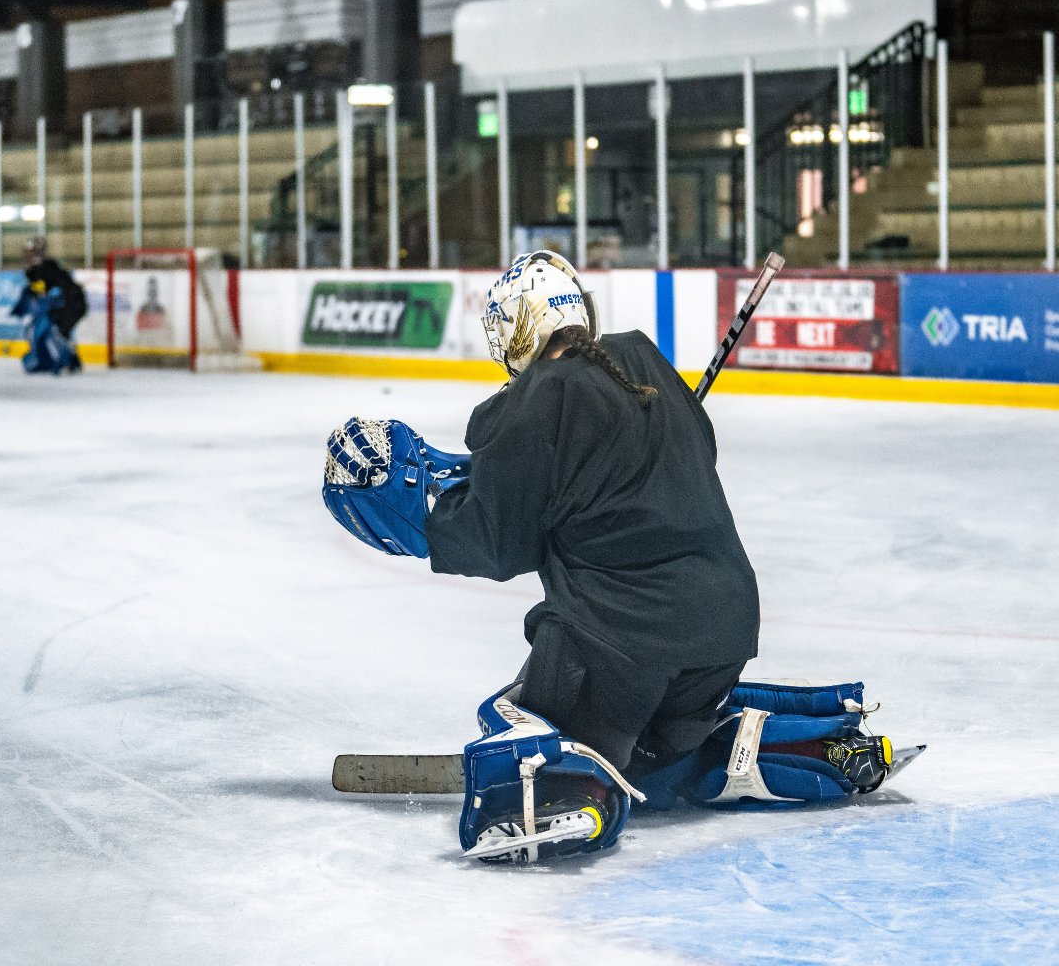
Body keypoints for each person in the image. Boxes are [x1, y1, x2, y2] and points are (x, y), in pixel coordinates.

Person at [322, 251, 921, 863]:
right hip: (724, 636)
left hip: (620, 647)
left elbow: (497, 541)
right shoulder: (644, 360)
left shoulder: (526, 404)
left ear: (514, 334)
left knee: (510, 714)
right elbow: (693, 452)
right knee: (661, 758)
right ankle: (811, 748)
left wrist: (425, 521)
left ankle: (571, 795)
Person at [12, 236, 87, 373]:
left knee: (55, 330)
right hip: (67, 305)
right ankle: (65, 360)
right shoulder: (36, 272)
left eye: (32, 252)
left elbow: (62, 291)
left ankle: (66, 360)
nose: (29, 256)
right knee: (47, 329)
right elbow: (35, 292)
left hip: (72, 304)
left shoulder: (47, 270)